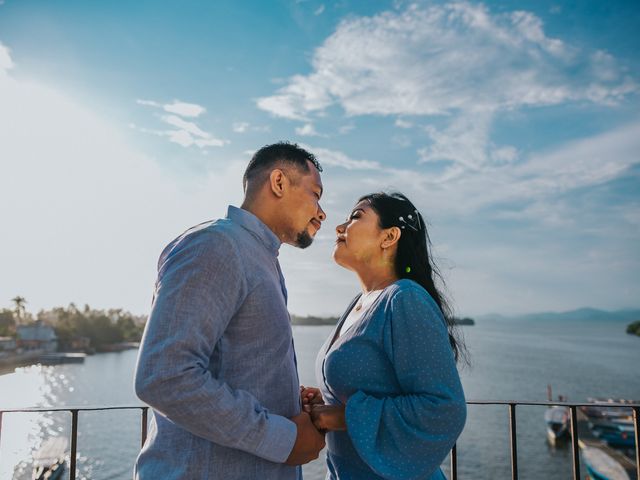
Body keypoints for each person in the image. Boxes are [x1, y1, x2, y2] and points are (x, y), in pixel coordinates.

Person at [134, 142, 327, 480]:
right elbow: (164, 376)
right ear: (279, 182)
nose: (322, 212)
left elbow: (231, 363)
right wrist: (285, 439)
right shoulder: (217, 246)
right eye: (316, 194)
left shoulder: (258, 258)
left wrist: (283, 396)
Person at [302, 192, 467, 480]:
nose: (339, 228)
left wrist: (343, 417)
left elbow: (444, 409)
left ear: (389, 236)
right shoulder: (359, 302)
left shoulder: (405, 299)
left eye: (355, 217)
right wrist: (327, 402)